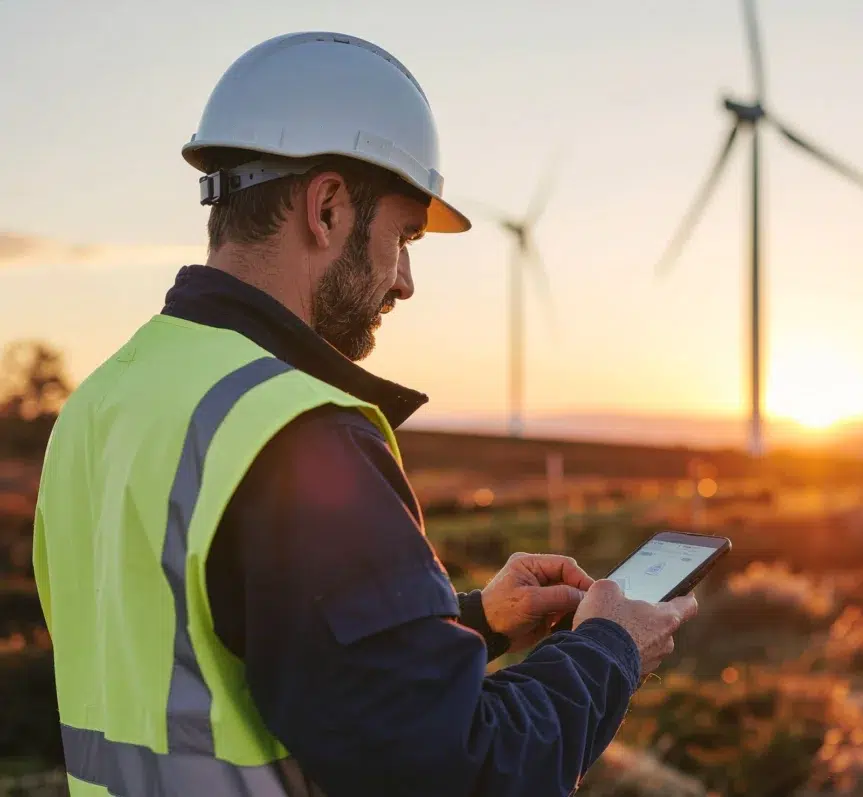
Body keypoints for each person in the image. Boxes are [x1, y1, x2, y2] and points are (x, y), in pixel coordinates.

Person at [32, 32, 699, 797]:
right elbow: (460, 772)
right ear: (326, 208)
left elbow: (228, 658)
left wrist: (472, 620)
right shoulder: (297, 437)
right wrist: (610, 649)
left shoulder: (100, 405)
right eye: (403, 236)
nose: (406, 280)